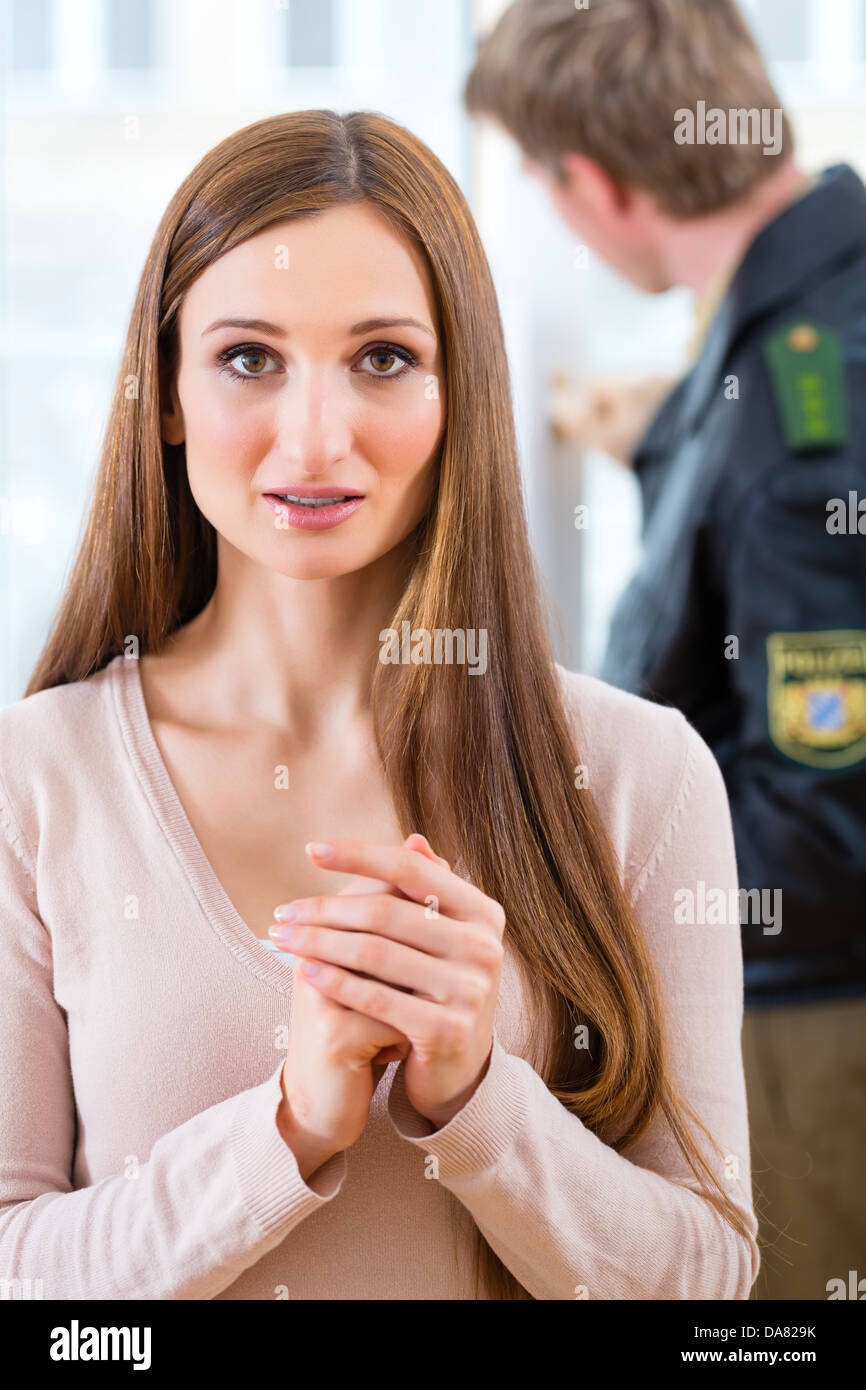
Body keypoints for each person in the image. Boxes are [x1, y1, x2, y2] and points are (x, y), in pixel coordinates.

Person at [0, 109, 757, 1301]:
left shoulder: (638, 771)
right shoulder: (32, 779)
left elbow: (705, 1280)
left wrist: (477, 1102)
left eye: (383, 358)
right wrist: (288, 1129)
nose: (314, 436)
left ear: (461, 394)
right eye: (248, 357)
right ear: (165, 395)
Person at [464, 0, 866, 1299]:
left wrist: (583, 900)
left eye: (542, 184)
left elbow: (823, 816)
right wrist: (667, 438)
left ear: (594, 181)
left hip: (810, 1023)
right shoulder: (797, 315)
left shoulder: (802, 417)